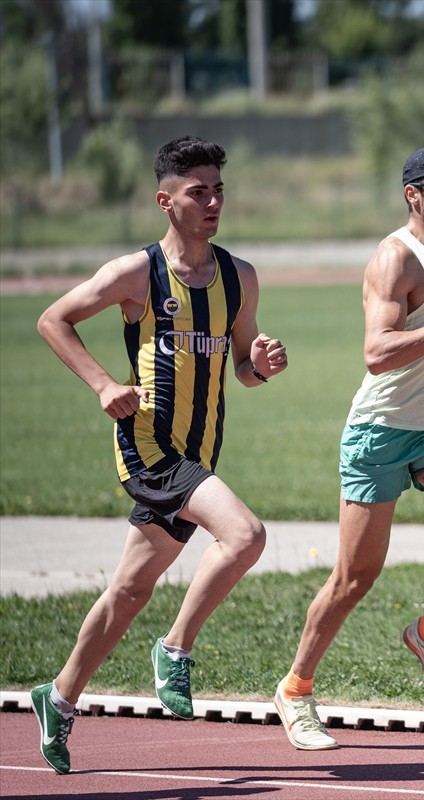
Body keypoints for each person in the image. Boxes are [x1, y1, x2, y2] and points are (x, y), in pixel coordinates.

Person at [30, 135, 289, 775]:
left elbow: (244, 369)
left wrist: (258, 365)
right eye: (198, 191)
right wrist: (103, 385)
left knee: (129, 590)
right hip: (150, 447)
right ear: (165, 201)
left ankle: (58, 698)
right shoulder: (135, 273)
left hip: (200, 451)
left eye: (219, 190)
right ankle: (175, 649)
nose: (213, 202)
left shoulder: (239, 276)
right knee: (246, 535)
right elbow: (53, 320)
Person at [272, 145, 424, 751]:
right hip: (380, 433)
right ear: (414, 194)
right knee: (355, 577)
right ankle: (296, 689)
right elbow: (378, 353)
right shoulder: (394, 260)